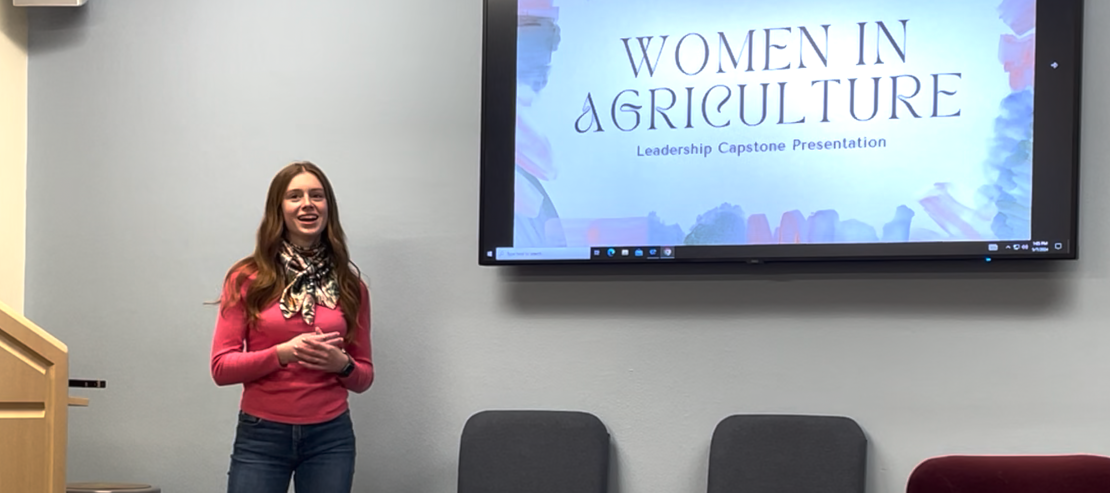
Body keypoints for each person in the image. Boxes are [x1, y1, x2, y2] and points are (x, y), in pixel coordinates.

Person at [210, 161, 374, 493]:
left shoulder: (350, 286)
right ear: (279, 209)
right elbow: (221, 368)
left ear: (328, 207)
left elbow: (364, 376)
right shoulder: (247, 278)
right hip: (261, 435)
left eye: (317, 195)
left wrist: (341, 364)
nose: (307, 204)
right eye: (295, 196)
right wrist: (283, 354)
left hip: (330, 437)